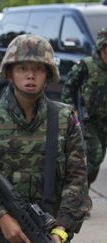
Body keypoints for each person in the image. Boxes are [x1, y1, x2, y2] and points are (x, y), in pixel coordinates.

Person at [0, 34, 91, 243]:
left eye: (38, 69)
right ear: (9, 73)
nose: (31, 75)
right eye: (22, 69)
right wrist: (1, 216)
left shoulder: (64, 118)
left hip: (51, 232)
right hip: (2, 233)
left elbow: (77, 178)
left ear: (48, 74)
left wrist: (61, 229)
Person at [62, 27, 107, 186]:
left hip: (105, 122)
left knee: (98, 159)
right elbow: (69, 87)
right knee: (95, 156)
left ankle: (80, 189)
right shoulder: (87, 65)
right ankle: (78, 191)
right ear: (101, 47)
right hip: (89, 120)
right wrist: (71, 108)